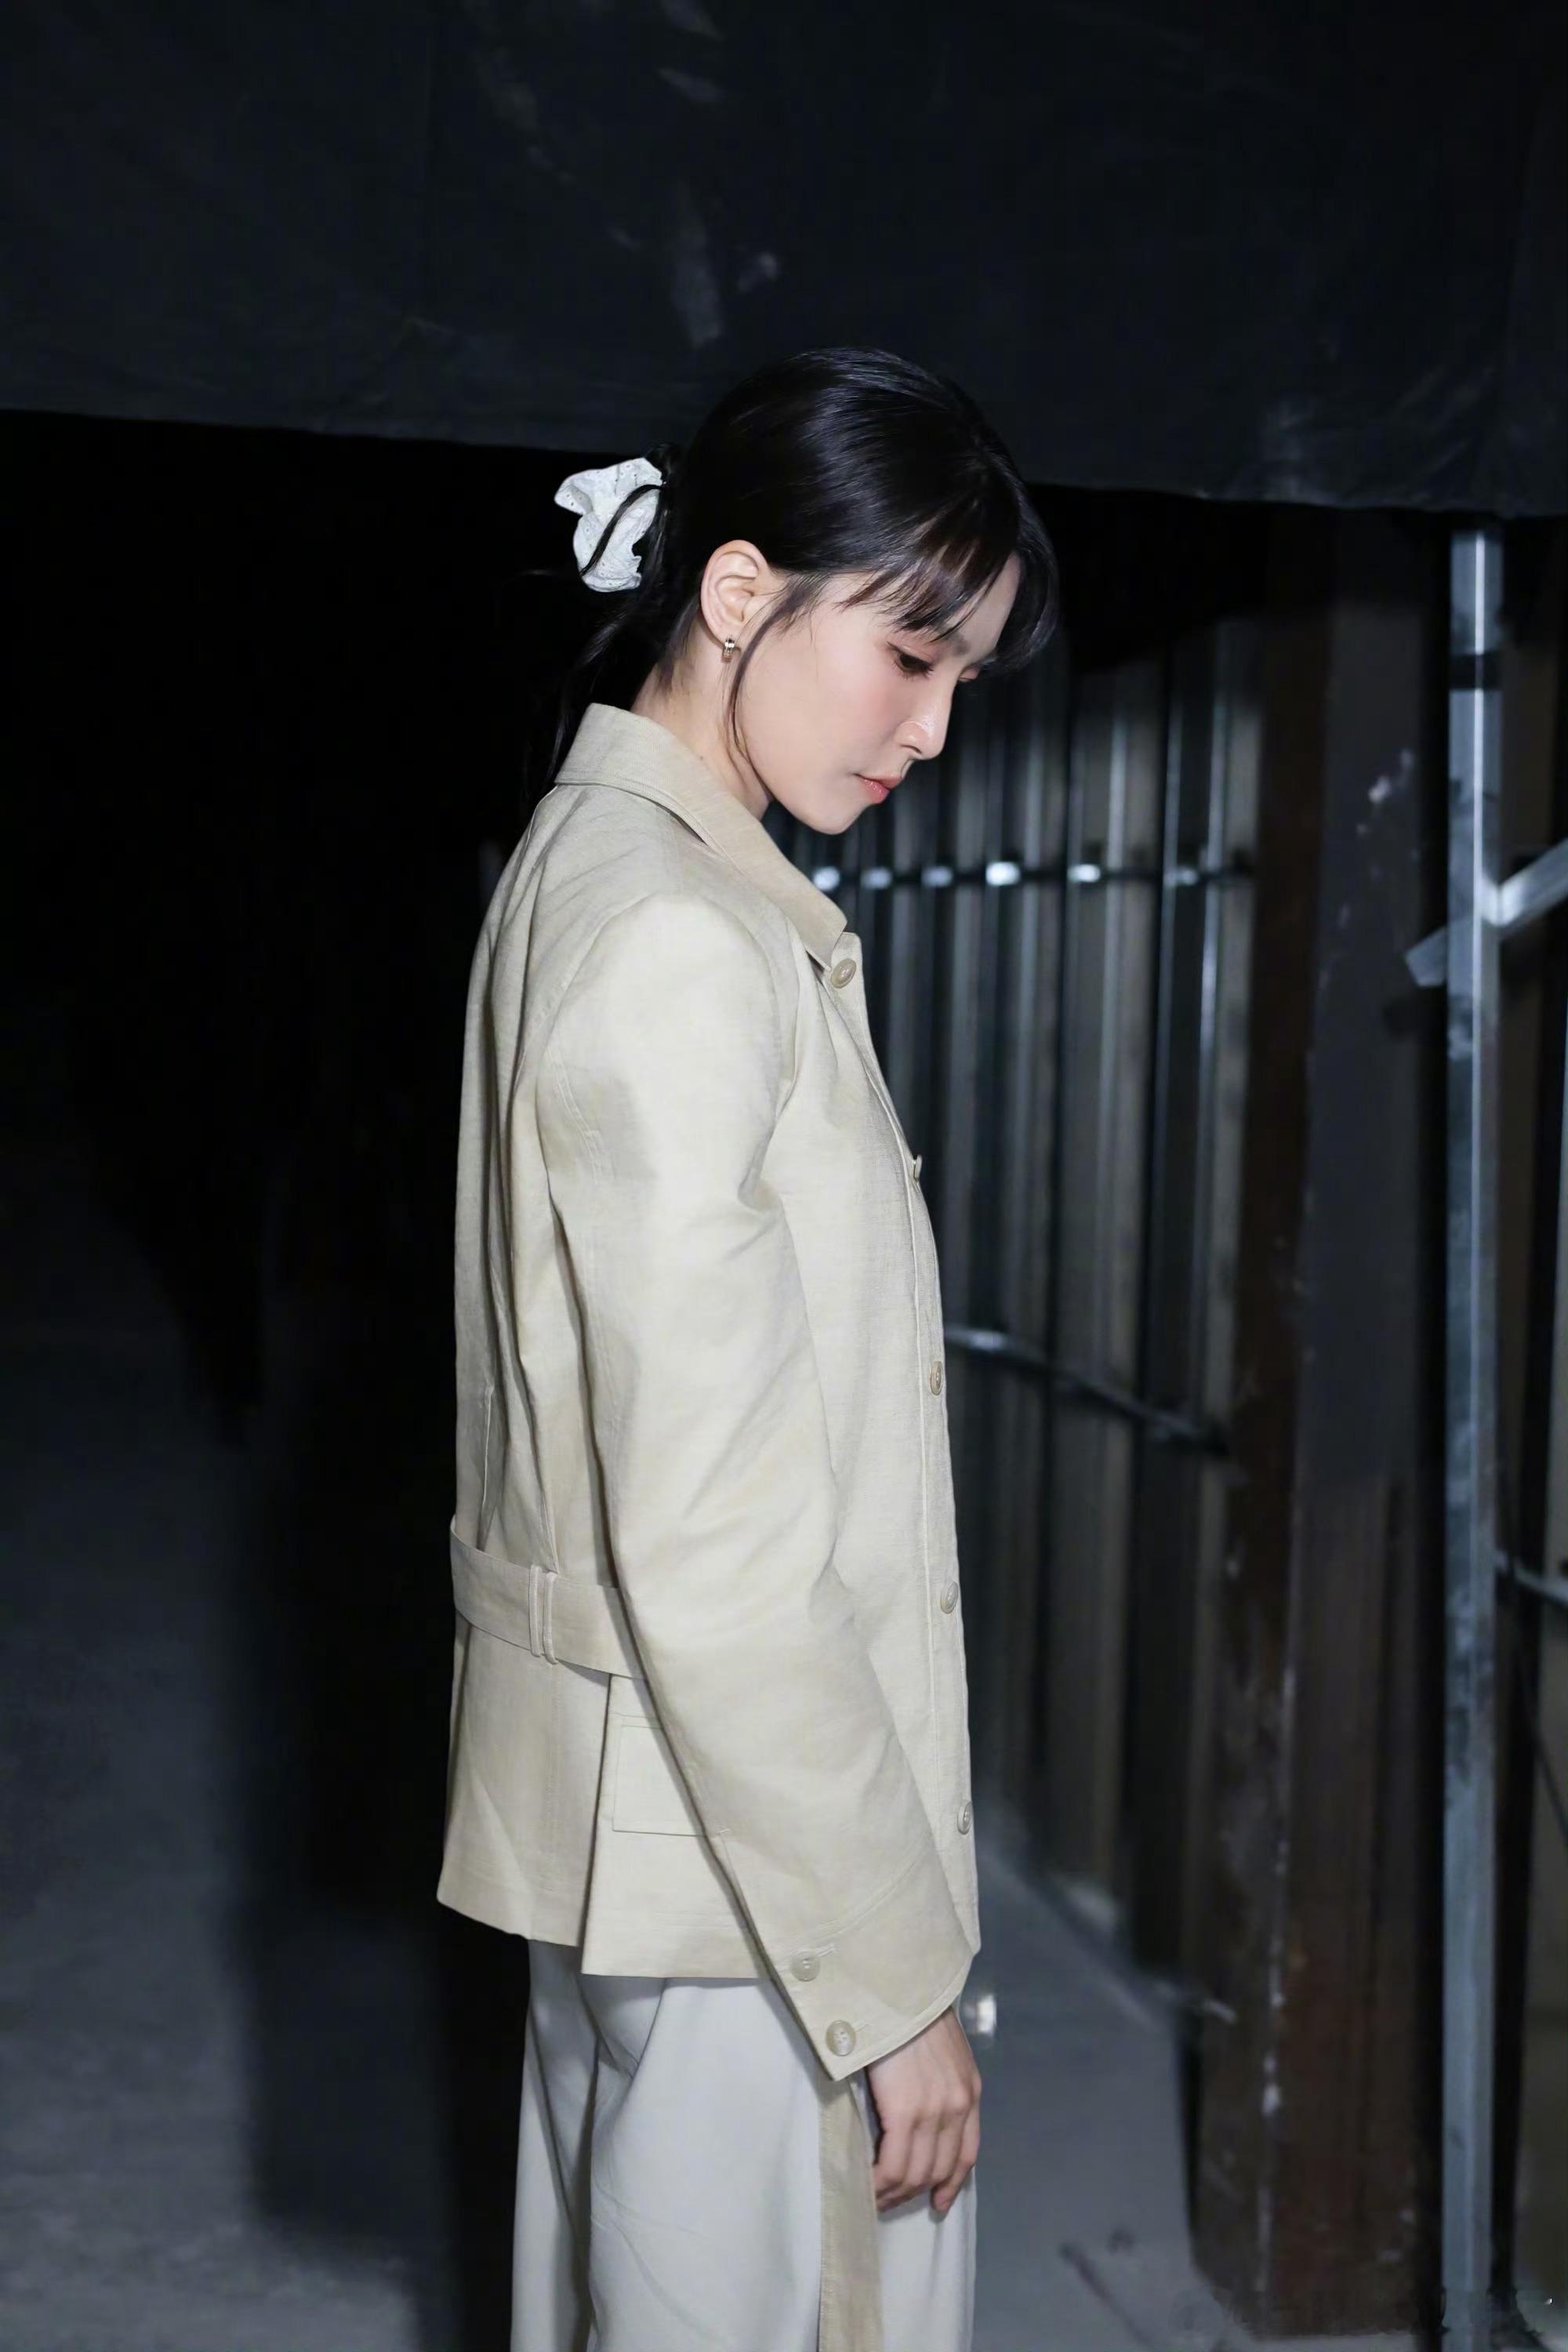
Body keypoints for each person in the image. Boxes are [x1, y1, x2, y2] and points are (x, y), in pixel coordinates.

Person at [437, 346, 1058, 2352]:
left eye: (965, 678)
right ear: (734, 594)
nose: (933, 726)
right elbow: (712, 1543)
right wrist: (889, 1985)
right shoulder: (677, 941)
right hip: (739, 1885)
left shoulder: (604, 860)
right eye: (909, 655)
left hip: (647, 1835)